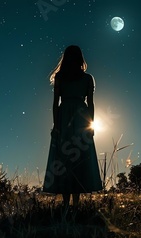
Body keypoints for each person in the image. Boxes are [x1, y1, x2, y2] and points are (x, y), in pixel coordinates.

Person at [43, 45, 103, 208]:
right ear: (80, 58)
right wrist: (91, 123)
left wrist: (56, 125)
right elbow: (90, 104)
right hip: (80, 117)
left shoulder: (61, 77)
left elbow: (55, 104)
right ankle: (74, 204)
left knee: (65, 157)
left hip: (65, 117)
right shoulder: (86, 78)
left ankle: (67, 203)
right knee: (78, 156)